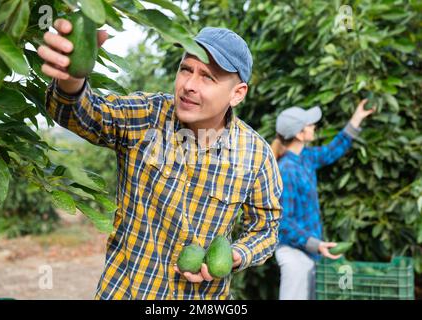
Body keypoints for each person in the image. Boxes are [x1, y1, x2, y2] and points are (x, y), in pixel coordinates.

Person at [37, 20, 283, 300]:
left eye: (207, 77)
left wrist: (237, 255)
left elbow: (265, 229)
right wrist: (72, 79)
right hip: (125, 292)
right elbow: (83, 115)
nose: (189, 85)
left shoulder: (256, 155)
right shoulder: (146, 116)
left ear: (237, 93)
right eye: (186, 69)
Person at [271, 101, 375, 300]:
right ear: (300, 134)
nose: (314, 127)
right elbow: (283, 222)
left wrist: (356, 119)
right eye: (310, 125)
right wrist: (315, 244)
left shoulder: (305, 158)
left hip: (307, 253)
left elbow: (331, 151)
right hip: (294, 255)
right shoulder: (286, 170)